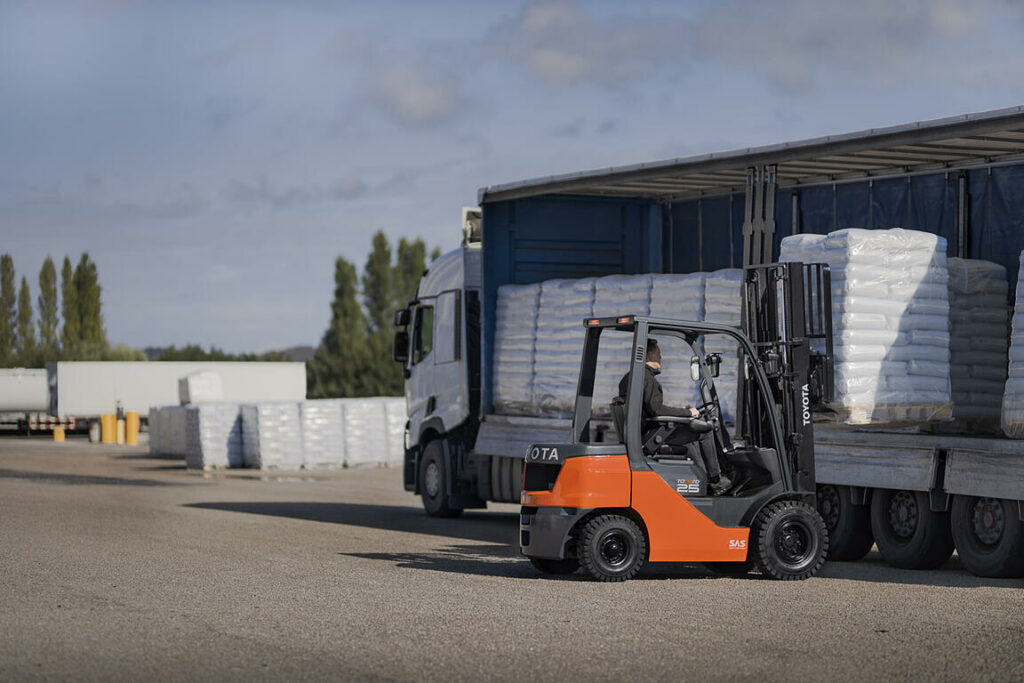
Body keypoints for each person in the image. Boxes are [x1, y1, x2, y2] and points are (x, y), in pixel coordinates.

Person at [619, 338, 732, 496]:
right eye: (658, 353)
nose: (661, 357)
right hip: (651, 434)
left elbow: (650, 408)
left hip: (642, 431)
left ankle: (702, 481)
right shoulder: (647, 379)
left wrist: (680, 411)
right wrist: (687, 414)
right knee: (705, 432)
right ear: (650, 356)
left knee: (690, 440)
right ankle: (715, 478)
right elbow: (657, 410)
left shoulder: (629, 378)